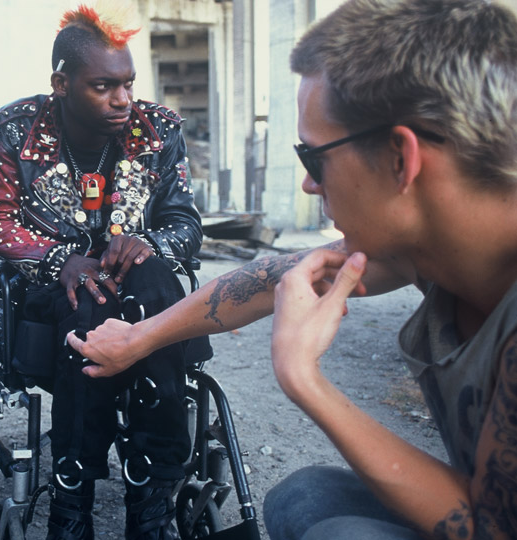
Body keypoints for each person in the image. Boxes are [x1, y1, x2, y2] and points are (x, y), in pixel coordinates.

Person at [68, 0, 517, 538]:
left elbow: (493, 527)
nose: (307, 183)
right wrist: (139, 338)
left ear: (402, 158)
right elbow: (268, 279)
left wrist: (303, 378)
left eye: (314, 158)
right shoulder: (427, 247)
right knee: (304, 497)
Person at [0, 4, 211, 539]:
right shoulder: (11, 130)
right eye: (104, 86)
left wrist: (145, 243)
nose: (123, 99)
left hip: (140, 284)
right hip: (52, 288)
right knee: (88, 302)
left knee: (151, 283)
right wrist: (59, 259)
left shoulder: (159, 129)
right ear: (62, 83)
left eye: (128, 84)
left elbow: (186, 224)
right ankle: (71, 496)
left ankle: (151, 492)